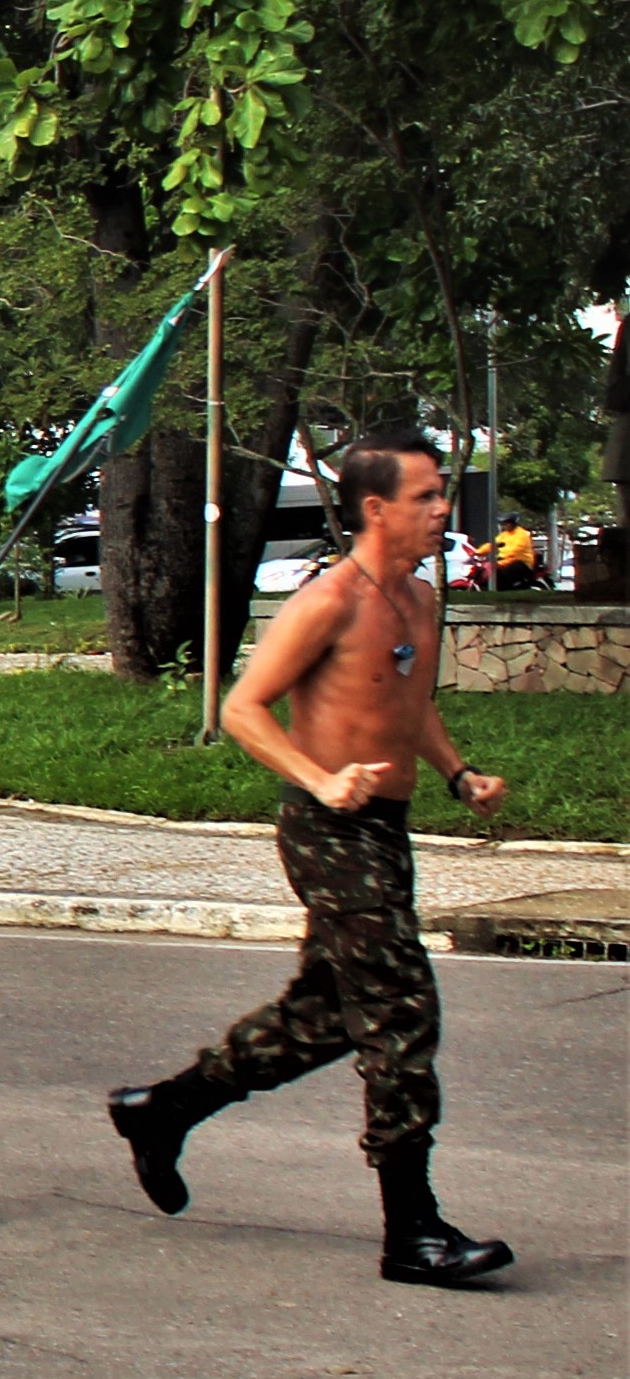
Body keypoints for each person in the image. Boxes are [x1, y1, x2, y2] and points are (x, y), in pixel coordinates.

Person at [104, 431, 513, 1285]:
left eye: (442, 495)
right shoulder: (332, 599)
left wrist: (457, 771)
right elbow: (245, 707)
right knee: (401, 1011)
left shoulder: (419, 598)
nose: (444, 509)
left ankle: (166, 1109)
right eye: (428, 496)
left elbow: (407, 702)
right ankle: (413, 1231)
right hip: (330, 830)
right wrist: (321, 781)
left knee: (327, 1015)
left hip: (385, 827)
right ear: (376, 508)